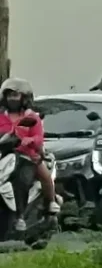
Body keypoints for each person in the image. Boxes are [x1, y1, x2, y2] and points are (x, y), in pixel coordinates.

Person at [0, 78, 59, 231]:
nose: (12, 99)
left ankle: (43, 205)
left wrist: (30, 140)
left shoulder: (31, 117)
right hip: (5, 156)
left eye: (16, 95)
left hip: (29, 156)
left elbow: (39, 137)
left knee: (23, 180)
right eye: (9, 95)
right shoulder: (1, 117)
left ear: (24, 98)